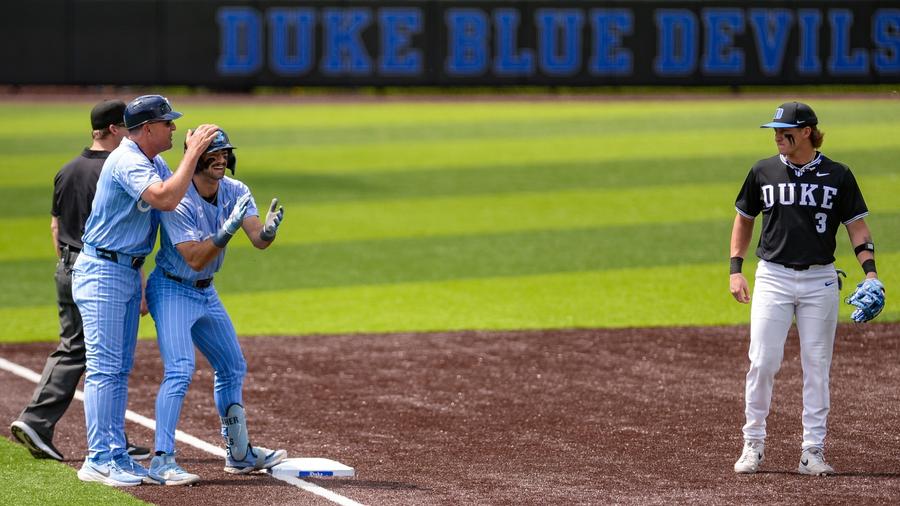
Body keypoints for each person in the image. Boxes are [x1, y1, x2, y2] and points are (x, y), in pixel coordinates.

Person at [71, 95, 220, 487]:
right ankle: (98, 458)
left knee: (120, 368)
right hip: (102, 270)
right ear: (148, 128)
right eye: (168, 123)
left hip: (125, 268)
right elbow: (165, 198)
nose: (173, 128)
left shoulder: (154, 161)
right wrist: (193, 153)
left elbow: (180, 192)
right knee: (104, 367)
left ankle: (115, 453)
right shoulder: (128, 159)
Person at [729, 101, 881, 476]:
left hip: (821, 281)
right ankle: (753, 444)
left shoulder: (838, 175)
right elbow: (744, 219)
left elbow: (857, 228)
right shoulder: (762, 171)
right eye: (775, 131)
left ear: (807, 132)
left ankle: (812, 451)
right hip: (773, 277)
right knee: (762, 362)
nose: (778, 137)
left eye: (785, 131)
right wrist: (736, 269)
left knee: (817, 366)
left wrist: (871, 274)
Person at [9, 100, 150, 463]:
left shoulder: (67, 169)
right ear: (115, 129)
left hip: (67, 265)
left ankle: (111, 435)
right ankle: (37, 421)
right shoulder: (117, 170)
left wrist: (67, 265)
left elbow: (55, 225)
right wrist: (139, 280)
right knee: (99, 354)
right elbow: (120, 233)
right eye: (128, 127)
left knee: (81, 347)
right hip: (101, 270)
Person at [143, 128, 285, 485]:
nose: (221, 159)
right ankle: (162, 461)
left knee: (233, 366)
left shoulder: (236, 190)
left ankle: (239, 454)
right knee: (180, 370)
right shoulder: (178, 198)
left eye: (224, 153)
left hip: (206, 291)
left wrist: (267, 232)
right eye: (213, 153)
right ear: (196, 158)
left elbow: (257, 239)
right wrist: (226, 231)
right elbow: (194, 257)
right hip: (173, 289)